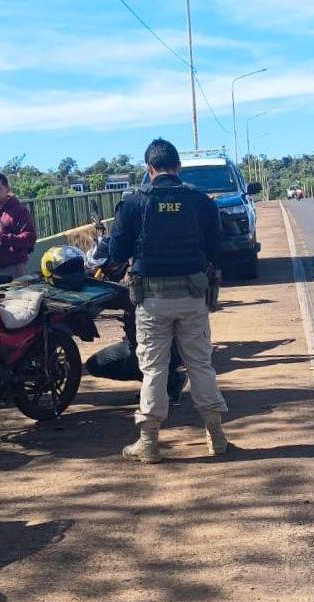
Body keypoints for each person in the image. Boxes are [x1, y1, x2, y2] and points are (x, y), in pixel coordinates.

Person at [109, 138, 228, 463]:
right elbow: (217, 250)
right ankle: (216, 435)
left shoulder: (133, 203)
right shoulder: (201, 202)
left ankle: (148, 443)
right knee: (200, 363)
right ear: (177, 167)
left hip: (152, 301)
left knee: (155, 369)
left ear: (149, 170)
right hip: (192, 298)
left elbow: (116, 253)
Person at [83, 233, 186, 403]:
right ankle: (157, 382)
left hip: (166, 343)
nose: (102, 271)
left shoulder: (134, 278)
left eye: (107, 266)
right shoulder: (120, 277)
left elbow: (117, 297)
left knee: (137, 363)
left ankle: (170, 383)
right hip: (136, 343)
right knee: (96, 364)